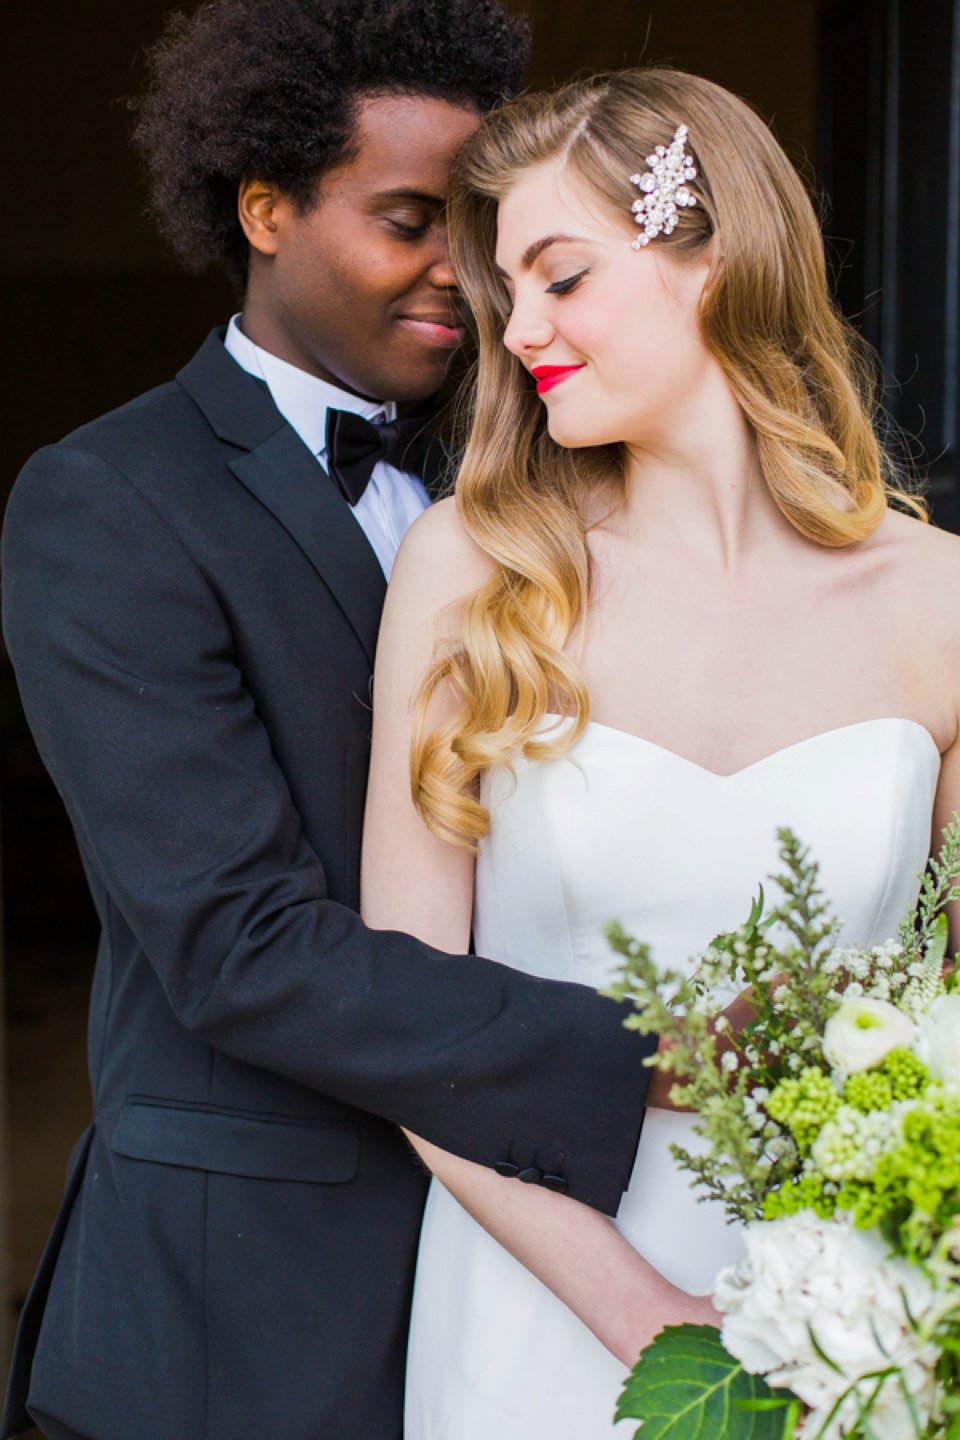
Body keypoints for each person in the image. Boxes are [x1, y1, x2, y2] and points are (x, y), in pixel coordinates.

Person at [0, 9, 671, 1439]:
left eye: (480, 230)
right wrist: (656, 1059)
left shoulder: (546, 468)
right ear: (265, 208)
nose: (462, 275)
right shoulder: (106, 501)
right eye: (411, 220)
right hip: (252, 1298)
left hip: (545, 1271)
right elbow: (236, 946)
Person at [361, 66, 960, 1437]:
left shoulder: (942, 604)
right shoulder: (471, 570)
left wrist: (886, 1297)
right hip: (537, 1306)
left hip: (852, 1315)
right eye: (508, 294)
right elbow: (404, 1019)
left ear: (716, 257)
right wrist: (650, 1319)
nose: (520, 332)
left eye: (561, 278)